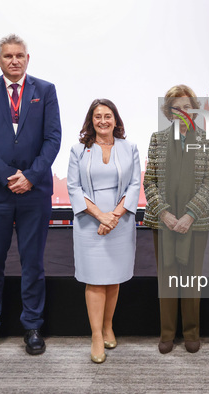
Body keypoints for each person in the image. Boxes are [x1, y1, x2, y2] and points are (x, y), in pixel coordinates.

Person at [0, 34, 62, 360]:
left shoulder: (45, 91)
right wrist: (8, 177)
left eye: (19, 55)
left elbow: (53, 139)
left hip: (35, 193)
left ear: (27, 58)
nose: (14, 61)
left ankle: (32, 327)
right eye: (8, 56)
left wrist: (31, 177)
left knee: (32, 264)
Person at [143, 84, 209, 354]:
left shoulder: (207, 140)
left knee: (191, 279)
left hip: (196, 222)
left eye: (187, 107)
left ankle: (191, 333)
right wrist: (164, 212)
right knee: (167, 278)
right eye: (176, 108)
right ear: (169, 112)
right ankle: (167, 334)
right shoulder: (158, 139)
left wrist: (188, 215)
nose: (182, 112)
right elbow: (149, 181)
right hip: (163, 222)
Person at [67, 99, 141, 363]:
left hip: (120, 221)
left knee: (113, 277)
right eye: (97, 116)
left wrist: (114, 216)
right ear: (91, 120)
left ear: (116, 120)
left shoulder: (129, 147)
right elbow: (74, 188)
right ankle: (96, 335)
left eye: (107, 116)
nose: (103, 121)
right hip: (89, 221)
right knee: (95, 279)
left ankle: (108, 325)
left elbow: (134, 185)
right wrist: (100, 216)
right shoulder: (78, 150)